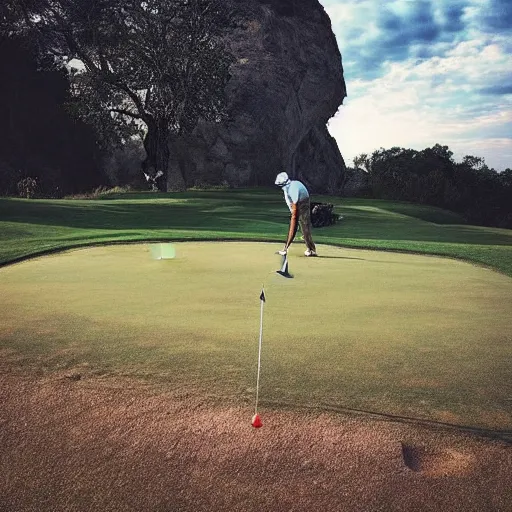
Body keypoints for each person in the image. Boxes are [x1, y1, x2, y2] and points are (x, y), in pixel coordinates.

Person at [275, 172, 317, 257]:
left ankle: (311, 250)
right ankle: (287, 248)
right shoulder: (288, 188)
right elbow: (289, 202)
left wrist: (294, 218)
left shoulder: (292, 189)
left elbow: (295, 204)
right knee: (302, 226)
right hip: (301, 200)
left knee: (304, 226)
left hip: (303, 202)